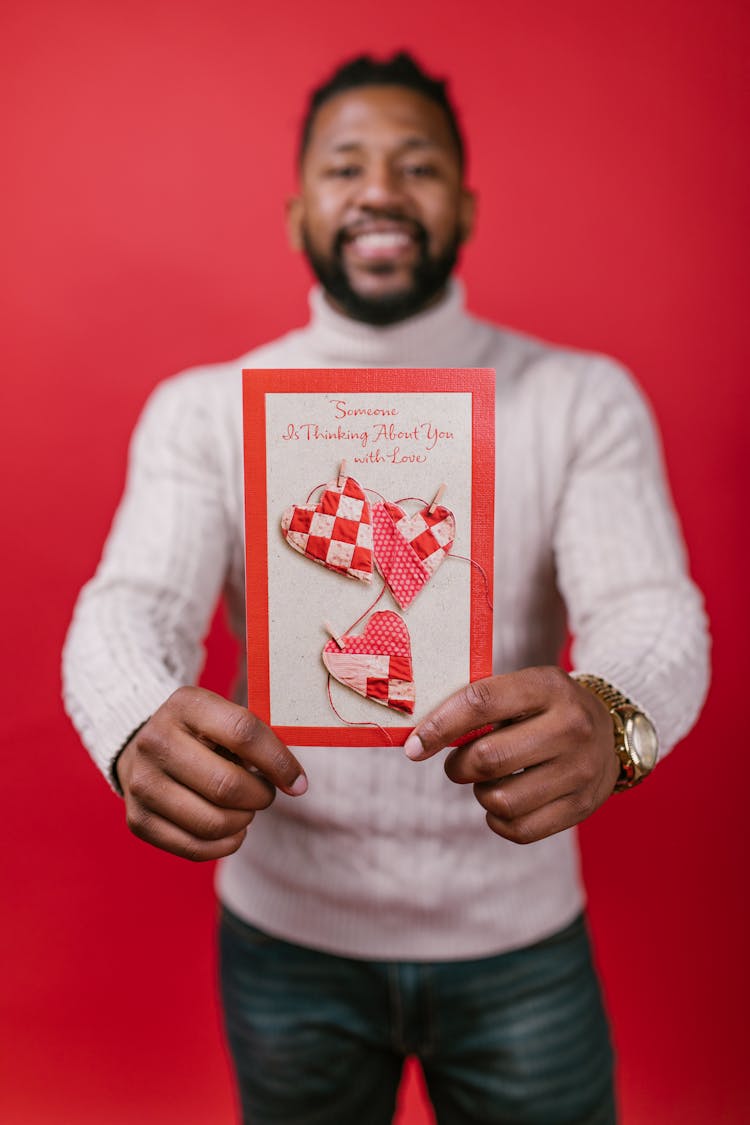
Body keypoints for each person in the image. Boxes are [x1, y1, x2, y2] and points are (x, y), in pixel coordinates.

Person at [63, 52, 710, 1125]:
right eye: (345, 166)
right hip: (287, 938)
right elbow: (133, 600)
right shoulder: (201, 410)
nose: (378, 191)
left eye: (416, 166)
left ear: (463, 204)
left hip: (519, 938)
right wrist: (130, 716)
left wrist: (618, 715)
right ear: (297, 211)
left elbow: (651, 605)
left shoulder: (581, 398)